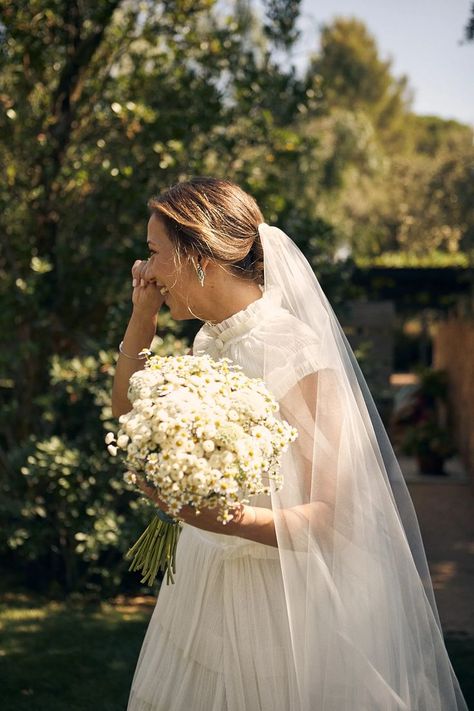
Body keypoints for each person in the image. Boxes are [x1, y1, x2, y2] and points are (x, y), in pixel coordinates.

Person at [112, 177, 468, 711]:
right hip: (203, 580)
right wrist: (142, 318)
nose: (146, 269)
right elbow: (128, 418)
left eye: (154, 253)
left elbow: (331, 518)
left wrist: (224, 519)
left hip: (277, 603)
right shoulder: (210, 338)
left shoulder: (295, 351)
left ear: (199, 256)